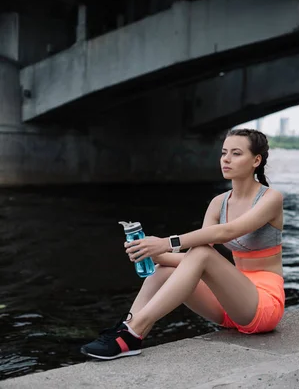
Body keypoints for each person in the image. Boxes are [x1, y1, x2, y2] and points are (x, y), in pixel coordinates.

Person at [80, 129, 285, 360]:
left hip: (263, 305)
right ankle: (127, 330)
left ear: (256, 160)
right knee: (164, 270)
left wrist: (166, 244)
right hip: (231, 304)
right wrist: (152, 253)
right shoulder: (219, 203)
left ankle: (135, 330)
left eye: (236, 153)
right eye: (224, 152)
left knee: (201, 253)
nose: (226, 159)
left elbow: (227, 231)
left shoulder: (271, 199)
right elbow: (195, 261)